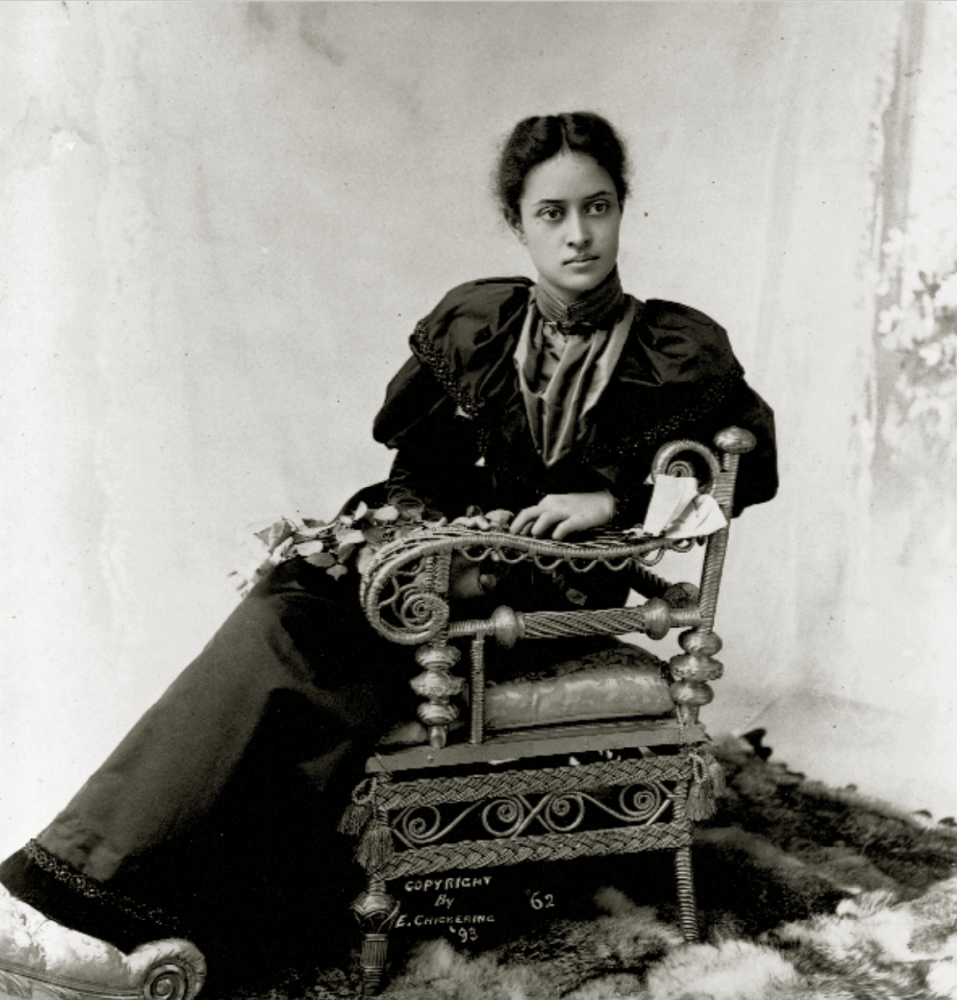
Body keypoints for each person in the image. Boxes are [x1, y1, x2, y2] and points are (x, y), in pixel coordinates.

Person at [0, 112, 777, 996]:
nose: (577, 234)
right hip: (451, 564)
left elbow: (733, 473)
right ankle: (102, 891)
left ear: (621, 211)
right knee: (288, 607)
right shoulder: (478, 324)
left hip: (556, 592)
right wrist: (399, 534)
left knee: (303, 641)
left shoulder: (672, 347)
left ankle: (93, 891)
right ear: (516, 223)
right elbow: (418, 470)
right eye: (551, 213)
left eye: (595, 208)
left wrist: (612, 491)